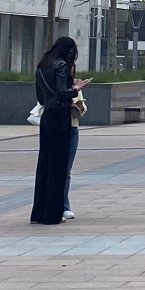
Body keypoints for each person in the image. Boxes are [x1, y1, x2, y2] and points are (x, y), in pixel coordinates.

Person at [31, 37, 89, 225]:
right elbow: (62, 91)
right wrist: (76, 88)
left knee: (44, 165)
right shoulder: (61, 65)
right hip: (60, 116)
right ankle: (53, 214)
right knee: (58, 166)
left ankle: (38, 212)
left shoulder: (42, 66)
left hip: (47, 116)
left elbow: (41, 97)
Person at [62, 85, 87, 220]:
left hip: (72, 127)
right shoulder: (55, 83)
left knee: (66, 169)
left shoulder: (76, 87)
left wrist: (78, 107)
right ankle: (58, 205)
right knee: (57, 169)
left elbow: (82, 108)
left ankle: (65, 206)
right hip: (58, 126)